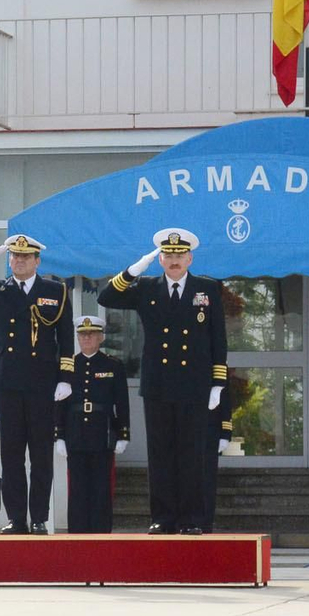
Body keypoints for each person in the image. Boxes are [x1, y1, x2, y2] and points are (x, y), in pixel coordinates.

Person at [97, 228, 227, 535]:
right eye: (168, 255)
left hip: (194, 384)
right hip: (158, 383)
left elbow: (217, 338)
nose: (174, 261)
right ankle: (163, 517)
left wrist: (217, 382)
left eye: (179, 255)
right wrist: (133, 270)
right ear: (160, 260)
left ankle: (193, 519)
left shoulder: (207, 288)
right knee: (160, 454)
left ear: (190, 258)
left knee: (192, 454)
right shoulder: (146, 287)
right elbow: (107, 296)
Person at [0, 233, 73, 534]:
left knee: (41, 454)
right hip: (6, 379)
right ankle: (16, 518)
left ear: (36, 261)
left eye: (24, 257)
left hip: (42, 381)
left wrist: (66, 377)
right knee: (13, 454)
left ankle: (39, 517)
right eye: (13, 256)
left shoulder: (55, 291)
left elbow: (66, 337)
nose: (18, 261)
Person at [54, 316, 130, 534]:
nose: (86, 338)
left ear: (100, 337)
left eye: (91, 334)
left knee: (101, 488)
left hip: (102, 433)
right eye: (82, 334)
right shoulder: (68, 365)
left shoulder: (112, 365)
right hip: (75, 432)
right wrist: (59, 435)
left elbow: (122, 402)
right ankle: (77, 535)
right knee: (76, 488)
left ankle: (101, 534)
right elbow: (60, 402)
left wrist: (123, 434)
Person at [204, 384, 233, 521]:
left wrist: (225, 433)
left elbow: (225, 399)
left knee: (207, 480)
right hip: (187, 431)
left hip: (210, 430)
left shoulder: (215, 366)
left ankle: (205, 521)